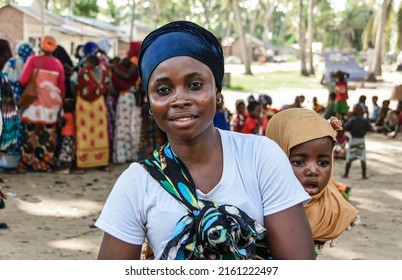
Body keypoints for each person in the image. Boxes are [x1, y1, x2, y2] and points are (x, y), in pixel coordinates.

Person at [95, 20, 315, 260]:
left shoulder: (261, 158)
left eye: (195, 85)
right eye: (163, 90)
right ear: (149, 102)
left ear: (217, 93)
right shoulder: (137, 184)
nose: (180, 99)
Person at [266, 108, 360, 256]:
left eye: (323, 163)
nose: (313, 171)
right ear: (278, 157)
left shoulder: (331, 207)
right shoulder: (259, 204)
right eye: (298, 162)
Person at [18, 35, 65, 173]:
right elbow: (62, 87)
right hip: (52, 106)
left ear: (41, 46)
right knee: (48, 135)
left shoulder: (33, 60)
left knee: (30, 134)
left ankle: (27, 163)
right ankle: (44, 164)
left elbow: (23, 80)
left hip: (35, 105)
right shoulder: (58, 64)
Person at [1, 43, 34, 172]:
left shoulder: (11, 61)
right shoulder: (27, 64)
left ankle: (4, 163)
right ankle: (13, 165)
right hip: (19, 99)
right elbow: (24, 81)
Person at [75, 55, 110, 171]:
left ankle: (82, 164)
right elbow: (108, 87)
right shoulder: (104, 72)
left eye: (86, 62)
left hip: (83, 105)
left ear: (90, 63)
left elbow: (73, 83)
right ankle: (102, 162)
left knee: (83, 133)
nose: (85, 64)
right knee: (101, 132)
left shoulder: (82, 72)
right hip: (99, 104)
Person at [111, 42, 143, 164]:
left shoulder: (135, 60)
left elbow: (126, 75)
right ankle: (130, 154)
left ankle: (123, 155)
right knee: (130, 126)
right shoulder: (138, 60)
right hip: (131, 96)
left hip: (127, 97)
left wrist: (114, 67)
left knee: (124, 126)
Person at [342, 104, 374, 179]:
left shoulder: (351, 120)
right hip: (361, 140)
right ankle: (364, 175)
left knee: (349, 158)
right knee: (362, 158)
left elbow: (345, 128)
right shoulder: (365, 121)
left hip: (353, 140)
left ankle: (346, 174)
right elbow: (370, 129)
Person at [56, 98, 79, 174]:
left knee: (65, 152)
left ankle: (65, 168)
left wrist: (59, 113)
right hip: (72, 135)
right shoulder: (74, 115)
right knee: (70, 151)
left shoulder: (65, 116)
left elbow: (60, 124)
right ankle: (69, 166)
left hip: (66, 136)